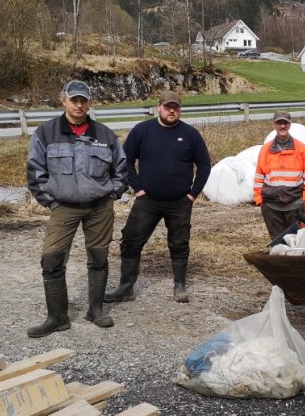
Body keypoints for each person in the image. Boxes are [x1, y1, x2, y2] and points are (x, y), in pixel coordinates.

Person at [26, 79, 127, 338]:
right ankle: (57, 318)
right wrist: (51, 201)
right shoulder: (45, 133)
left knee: (99, 258)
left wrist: (112, 194)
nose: (79, 105)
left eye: (83, 100)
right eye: (74, 100)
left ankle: (96, 310)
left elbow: (122, 170)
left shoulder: (105, 135)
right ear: (64, 101)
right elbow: (35, 172)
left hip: (99, 208)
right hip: (64, 208)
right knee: (52, 259)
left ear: (89, 102)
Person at [104, 91, 212, 304]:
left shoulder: (190, 134)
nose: (172, 111)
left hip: (180, 201)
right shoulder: (142, 130)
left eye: (176, 107)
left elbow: (205, 165)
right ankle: (126, 288)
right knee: (131, 241)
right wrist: (138, 188)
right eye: (168, 107)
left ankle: (180, 286)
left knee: (179, 243)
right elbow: (125, 160)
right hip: (148, 200)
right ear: (158, 107)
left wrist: (192, 194)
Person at [253, 110, 305, 240]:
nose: (282, 126)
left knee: (296, 241)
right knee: (277, 241)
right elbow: (259, 177)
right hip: (271, 206)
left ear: (289, 125)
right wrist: (259, 201)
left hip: (295, 204)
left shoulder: (301, 149)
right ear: (274, 125)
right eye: (279, 123)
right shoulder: (266, 150)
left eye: (285, 123)